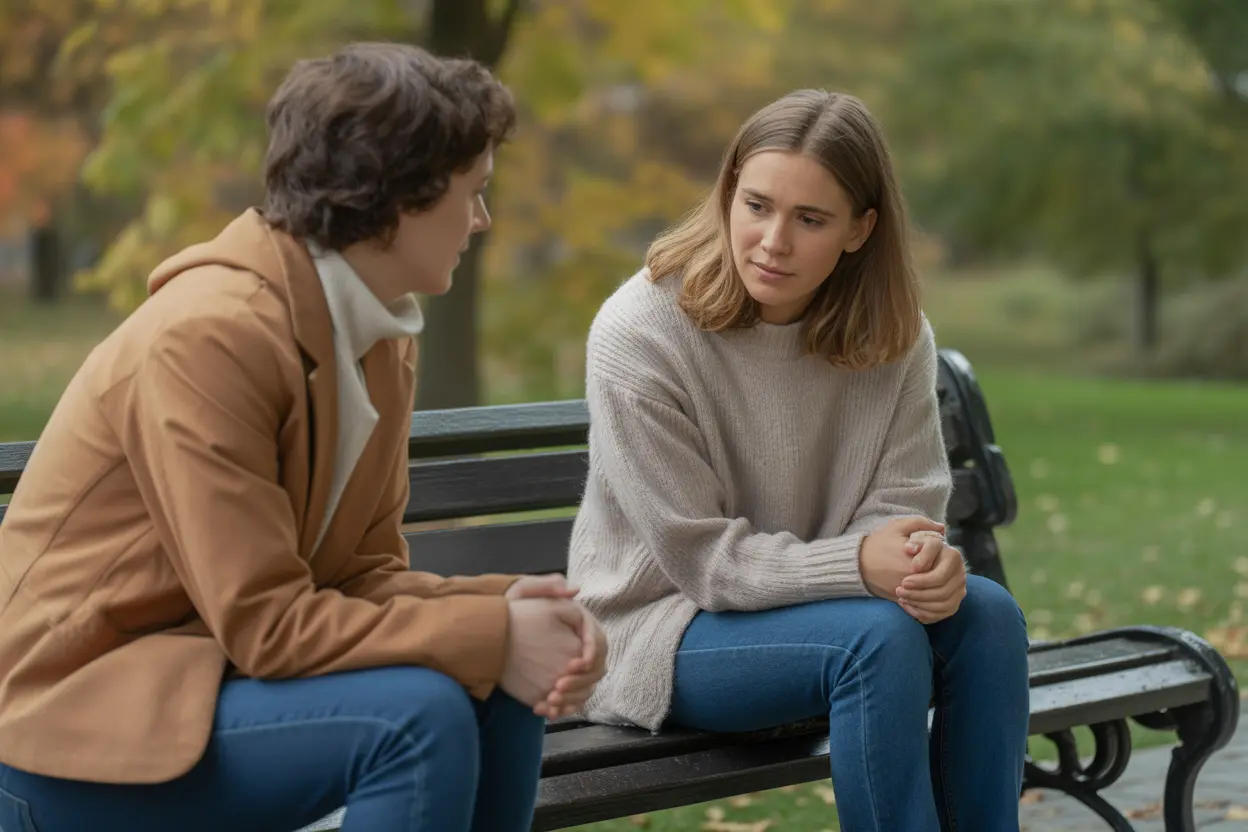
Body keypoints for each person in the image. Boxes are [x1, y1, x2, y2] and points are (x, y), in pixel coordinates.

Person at [0, 43, 606, 832]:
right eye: (473, 192)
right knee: (416, 717)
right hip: (71, 726)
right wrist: (490, 632)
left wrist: (512, 611)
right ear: (400, 198)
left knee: (491, 683)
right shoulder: (207, 338)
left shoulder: (377, 331)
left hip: (206, 682)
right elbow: (268, 624)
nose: (483, 220)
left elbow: (361, 576)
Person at [567, 89, 1029, 831]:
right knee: (875, 642)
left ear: (860, 229)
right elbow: (703, 562)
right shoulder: (642, 333)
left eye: (809, 219)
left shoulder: (897, 335)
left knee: (989, 618)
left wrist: (916, 561)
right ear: (727, 196)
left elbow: (906, 500)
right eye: (756, 205)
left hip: (829, 620)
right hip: (660, 630)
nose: (772, 242)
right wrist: (859, 568)